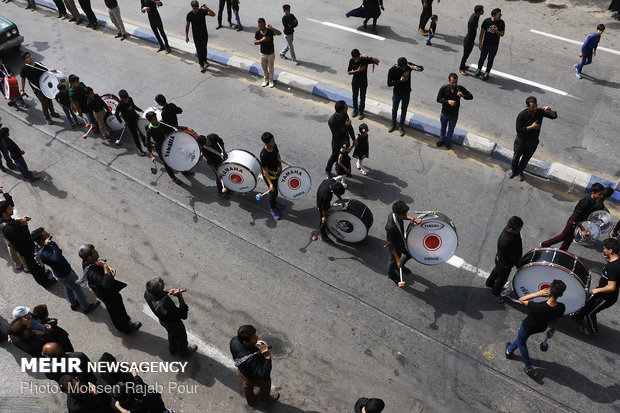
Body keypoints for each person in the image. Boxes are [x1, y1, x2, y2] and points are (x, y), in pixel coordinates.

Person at [505, 279, 566, 379]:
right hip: (541, 327)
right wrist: (552, 331)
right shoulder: (561, 307)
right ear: (561, 295)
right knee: (522, 338)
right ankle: (509, 350)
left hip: (527, 326)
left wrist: (539, 293)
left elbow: (522, 299)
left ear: (549, 290)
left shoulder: (538, 307)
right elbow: (558, 320)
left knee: (521, 343)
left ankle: (528, 367)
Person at [31, 228, 99, 313]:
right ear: (42, 240)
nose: (48, 233)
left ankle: (73, 303)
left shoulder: (38, 246)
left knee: (68, 286)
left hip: (59, 274)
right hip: (65, 273)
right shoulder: (45, 254)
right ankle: (85, 307)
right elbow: (57, 258)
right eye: (46, 234)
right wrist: (52, 244)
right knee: (78, 289)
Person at [79, 244, 142, 334]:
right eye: (94, 252)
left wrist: (107, 267)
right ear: (89, 257)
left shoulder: (86, 262)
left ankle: (119, 325)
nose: (97, 252)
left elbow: (97, 263)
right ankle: (127, 328)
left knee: (113, 310)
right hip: (109, 295)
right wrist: (105, 266)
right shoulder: (92, 273)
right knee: (119, 310)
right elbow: (107, 284)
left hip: (103, 294)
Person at [0, 197, 55, 289]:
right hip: (26, 250)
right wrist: (25, 226)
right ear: (3, 213)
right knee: (35, 266)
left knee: (37, 264)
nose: (12, 209)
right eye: (9, 209)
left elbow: (12, 223)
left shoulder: (5, 221)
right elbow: (23, 239)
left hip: (25, 248)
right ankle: (45, 283)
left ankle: (43, 274)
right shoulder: (9, 229)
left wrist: (20, 221)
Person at [572, 238, 619, 336]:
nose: (603, 250)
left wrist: (597, 290)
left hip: (607, 298)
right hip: (601, 292)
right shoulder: (614, 261)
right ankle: (578, 317)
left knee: (590, 313)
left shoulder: (613, 267)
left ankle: (592, 331)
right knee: (587, 302)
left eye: (605, 249)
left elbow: (611, 287)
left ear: (611, 251)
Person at [540, 183, 606, 251]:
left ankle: (563, 250)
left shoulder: (595, 199)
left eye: (603, 194)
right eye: (600, 194)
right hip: (574, 222)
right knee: (563, 236)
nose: (602, 196)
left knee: (570, 238)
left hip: (580, 222)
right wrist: (583, 229)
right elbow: (576, 217)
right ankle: (545, 244)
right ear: (593, 193)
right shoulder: (586, 202)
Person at [144, 276, 198, 356]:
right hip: (173, 323)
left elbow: (159, 293)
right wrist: (180, 297)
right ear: (159, 289)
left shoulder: (147, 293)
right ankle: (183, 352)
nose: (163, 281)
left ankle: (173, 349)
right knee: (181, 337)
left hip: (163, 320)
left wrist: (168, 291)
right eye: (162, 282)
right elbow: (183, 315)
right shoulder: (166, 304)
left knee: (171, 334)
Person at [509, 96, 557, 181]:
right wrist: (531, 127)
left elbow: (554, 116)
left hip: (533, 142)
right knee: (516, 157)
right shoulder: (522, 115)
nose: (535, 108)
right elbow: (519, 130)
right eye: (532, 107)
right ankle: (513, 170)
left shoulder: (540, 112)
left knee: (526, 159)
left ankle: (520, 172)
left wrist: (550, 110)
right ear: (527, 106)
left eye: (536, 106)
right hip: (521, 141)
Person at [230, 325, 280, 406]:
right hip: (255, 377)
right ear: (245, 342)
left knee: (247, 385)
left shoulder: (234, 341)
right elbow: (264, 374)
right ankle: (265, 399)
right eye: (253, 338)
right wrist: (267, 356)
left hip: (242, 371)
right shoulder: (252, 360)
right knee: (266, 385)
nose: (257, 337)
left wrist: (253, 344)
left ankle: (251, 401)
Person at [485, 216, 523, 302]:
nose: (519, 231)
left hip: (502, 259)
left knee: (496, 271)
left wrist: (520, 257)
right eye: (518, 230)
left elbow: (519, 243)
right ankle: (496, 292)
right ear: (510, 229)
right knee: (502, 279)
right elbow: (509, 257)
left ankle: (489, 282)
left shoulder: (514, 231)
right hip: (504, 263)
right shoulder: (505, 241)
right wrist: (517, 263)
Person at [19, 52, 61, 125]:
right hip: (37, 89)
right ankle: (47, 118)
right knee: (44, 102)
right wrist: (22, 90)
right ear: (25, 60)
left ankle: (52, 112)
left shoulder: (38, 64)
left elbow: (46, 71)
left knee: (49, 99)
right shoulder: (24, 69)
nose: (30, 58)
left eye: (30, 56)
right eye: (27, 57)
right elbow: (23, 79)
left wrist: (51, 70)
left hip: (45, 86)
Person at [385, 200, 421, 284]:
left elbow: (404, 217)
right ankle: (391, 274)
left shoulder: (396, 214)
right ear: (397, 214)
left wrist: (413, 219)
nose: (405, 216)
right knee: (393, 261)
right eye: (404, 214)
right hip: (395, 246)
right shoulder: (391, 227)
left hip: (401, 240)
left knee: (409, 254)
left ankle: (399, 267)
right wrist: (398, 259)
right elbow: (390, 244)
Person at [145, 111, 185, 184]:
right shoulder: (149, 130)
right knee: (166, 163)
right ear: (149, 121)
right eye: (153, 119)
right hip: (160, 147)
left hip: (167, 143)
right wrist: (151, 155)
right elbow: (147, 142)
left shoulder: (162, 123)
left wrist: (186, 128)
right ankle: (173, 177)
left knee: (176, 157)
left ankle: (183, 170)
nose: (156, 120)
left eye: (156, 118)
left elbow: (173, 126)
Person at [387, 57, 423, 136]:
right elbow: (389, 84)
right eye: (402, 67)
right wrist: (400, 81)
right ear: (398, 65)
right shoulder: (392, 70)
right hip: (397, 93)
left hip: (406, 93)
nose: (404, 69)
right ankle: (393, 124)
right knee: (394, 109)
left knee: (404, 110)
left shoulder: (407, 67)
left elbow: (421, 69)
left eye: (405, 67)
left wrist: (415, 67)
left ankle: (401, 126)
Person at [435, 73, 473, 149]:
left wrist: (463, 95)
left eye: (455, 82)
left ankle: (447, 141)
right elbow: (438, 99)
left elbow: (470, 96)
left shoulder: (459, 88)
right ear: (449, 81)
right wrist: (448, 101)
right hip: (444, 113)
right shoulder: (444, 88)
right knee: (443, 127)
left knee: (451, 129)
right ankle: (442, 139)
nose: (454, 84)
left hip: (454, 115)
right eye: (452, 82)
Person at [325, 100, 355, 178]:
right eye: (346, 107)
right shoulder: (332, 121)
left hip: (345, 141)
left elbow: (350, 128)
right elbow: (337, 135)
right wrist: (345, 125)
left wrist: (354, 139)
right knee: (334, 157)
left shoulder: (345, 115)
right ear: (341, 110)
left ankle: (345, 171)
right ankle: (328, 170)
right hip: (337, 142)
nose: (347, 107)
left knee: (345, 157)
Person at [347, 49, 379, 120]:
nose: (357, 59)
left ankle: (361, 111)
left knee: (362, 97)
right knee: (354, 96)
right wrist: (358, 70)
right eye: (355, 58)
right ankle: (355, 109)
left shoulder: (364, 60)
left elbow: (377, 61)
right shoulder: (351, 61)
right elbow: (349, 72)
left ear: (359, 55)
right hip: (355, 82)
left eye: (358, 57)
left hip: (363, 82)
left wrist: (369, 57)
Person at [185, 1, 216, 73]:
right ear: (192, 7)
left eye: (197, 8)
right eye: (194, 8)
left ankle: (205, 61)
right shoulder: (189, 15)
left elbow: (213, 14)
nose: (196, 10)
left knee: (204, 48)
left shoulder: (202, 11)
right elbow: (187, 26)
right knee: (199, 50)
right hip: (196, 35)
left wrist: (207, 8)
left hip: (204, 33)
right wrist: (186, 36)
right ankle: (201, 64)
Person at [475, 8, 505, 81]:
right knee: (482, 57)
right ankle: (479, 69)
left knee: (490, 59)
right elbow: (482, 33)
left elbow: (502, 34)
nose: (500, 16)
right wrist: (480, 43)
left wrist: (496, 31)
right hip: (486, 44)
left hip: (494, 45)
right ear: (493, 15)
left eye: (500, 14)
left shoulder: (501, 23)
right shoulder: (487, 21)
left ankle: (487, 72)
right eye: (499, 15)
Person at [197, 133, 230, 198]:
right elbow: (210, 162)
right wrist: (217, 172)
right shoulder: (205, 150)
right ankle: (221, 191)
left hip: (220, 154)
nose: (209, 144)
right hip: (214, 160)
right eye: (207, 144)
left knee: (226, 170)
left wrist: (224, 151)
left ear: (208, 138)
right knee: (219, 177)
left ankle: (228, 185)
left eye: (209, 141)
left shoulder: (213, 136)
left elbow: (221, 142)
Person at [260, 132, 284, 220]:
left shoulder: (274, 146)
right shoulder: (264, 155)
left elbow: (278, 155)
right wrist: (270, 184)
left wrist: (280, 167)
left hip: (276, 172)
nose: (274, 142)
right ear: (266, 143)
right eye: (272, 141)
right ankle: (273, 209)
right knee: (272, 192)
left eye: (274, 140)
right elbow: (265, 171)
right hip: (270, 176)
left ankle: (274, 202)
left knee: (276, 190)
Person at [114, 89, 146, 156]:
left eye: (127, 98)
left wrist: (141, 110)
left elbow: (133, 106)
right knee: (135, 136)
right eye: (125, 99)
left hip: (136, 117)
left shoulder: (130, 99)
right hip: (129, 122)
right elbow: (116, 114)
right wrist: (122, 122)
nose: (127, 100)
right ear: (121, 99)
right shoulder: (120, 105)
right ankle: (139, 148)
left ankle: (145, 142)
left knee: (142, 131)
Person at [0, 188, 25, 270]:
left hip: (3, 231)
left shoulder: (2, 209)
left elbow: (8, 205)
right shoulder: (3, 211)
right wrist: (4, 192)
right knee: (18, 246)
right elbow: (9, 204)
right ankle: (26, 265)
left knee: (10, 245)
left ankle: (18, 263)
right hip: (7, 228)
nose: (12, 209)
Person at [254, 18, 282, 88]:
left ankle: (271, 80)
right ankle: (266, 79)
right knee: (264, 68)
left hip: (270, 54)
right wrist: (262, 40)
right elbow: (255, 42)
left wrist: (272, 28)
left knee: (271, 68)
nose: (260, 27)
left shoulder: (270, 31)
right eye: (259, 26)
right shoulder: (258, 32)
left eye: (261, 26)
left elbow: (279, 33)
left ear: (265, 25)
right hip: (263, 54)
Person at [316, 179, 346, 243]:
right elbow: (324, 209)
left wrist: (342, 201)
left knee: (328, 210)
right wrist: (324, 217)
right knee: (323, 220)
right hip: (321, 203)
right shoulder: (325, 196)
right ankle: (324, 236)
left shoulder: (332, 182)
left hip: (324, 199)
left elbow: (337, 193)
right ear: (333, 191)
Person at [459, 5, 484, 76]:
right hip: (469, 40)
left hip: (471, 39)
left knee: (467, 54)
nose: (483, 11)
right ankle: (461, 68)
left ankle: (463, 65)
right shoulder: (473, 20)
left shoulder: (476, 16)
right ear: (479, 12)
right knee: (465, 55)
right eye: (482, 10)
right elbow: (472, 28)